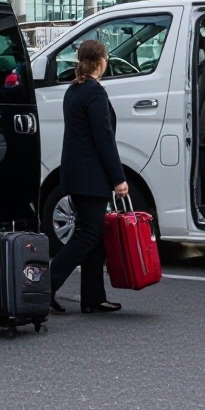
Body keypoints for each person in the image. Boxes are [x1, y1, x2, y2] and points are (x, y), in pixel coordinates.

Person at [48, 39, 130, 314]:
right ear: (100, 61)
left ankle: (93, 298)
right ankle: (44, 286)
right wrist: (118, 178)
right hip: (91, 176)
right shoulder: (94, 92)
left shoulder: (74, 89)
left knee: (92, 236)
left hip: (76, 173)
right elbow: (103, 137)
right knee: (87, 234)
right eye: (106, 58)